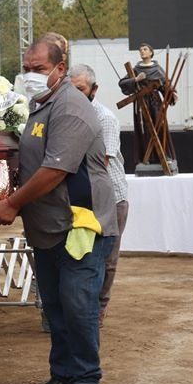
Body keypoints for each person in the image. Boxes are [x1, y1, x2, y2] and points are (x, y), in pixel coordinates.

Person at [0, 37, 119, 384]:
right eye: (26, 68)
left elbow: (55, 170)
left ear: (61, 69)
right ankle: (62, 374)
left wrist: (11, 203)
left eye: (39, 69)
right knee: (56, 306)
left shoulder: (71, 107)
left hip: (80, 225)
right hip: (47, 226)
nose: (30, 75)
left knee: (78, 306)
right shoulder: (38, 105)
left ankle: (86, 377)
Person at [69, 63, 129, 327]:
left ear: (94, 89)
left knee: (107, 258)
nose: (75, 95)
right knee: (80, 255)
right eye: (71, 90)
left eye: (80, 89)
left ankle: (98, 309)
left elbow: (100, 162)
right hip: (79, 198)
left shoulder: (104, 118)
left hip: (110, 199)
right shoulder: (65, 116)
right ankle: (81, 307)